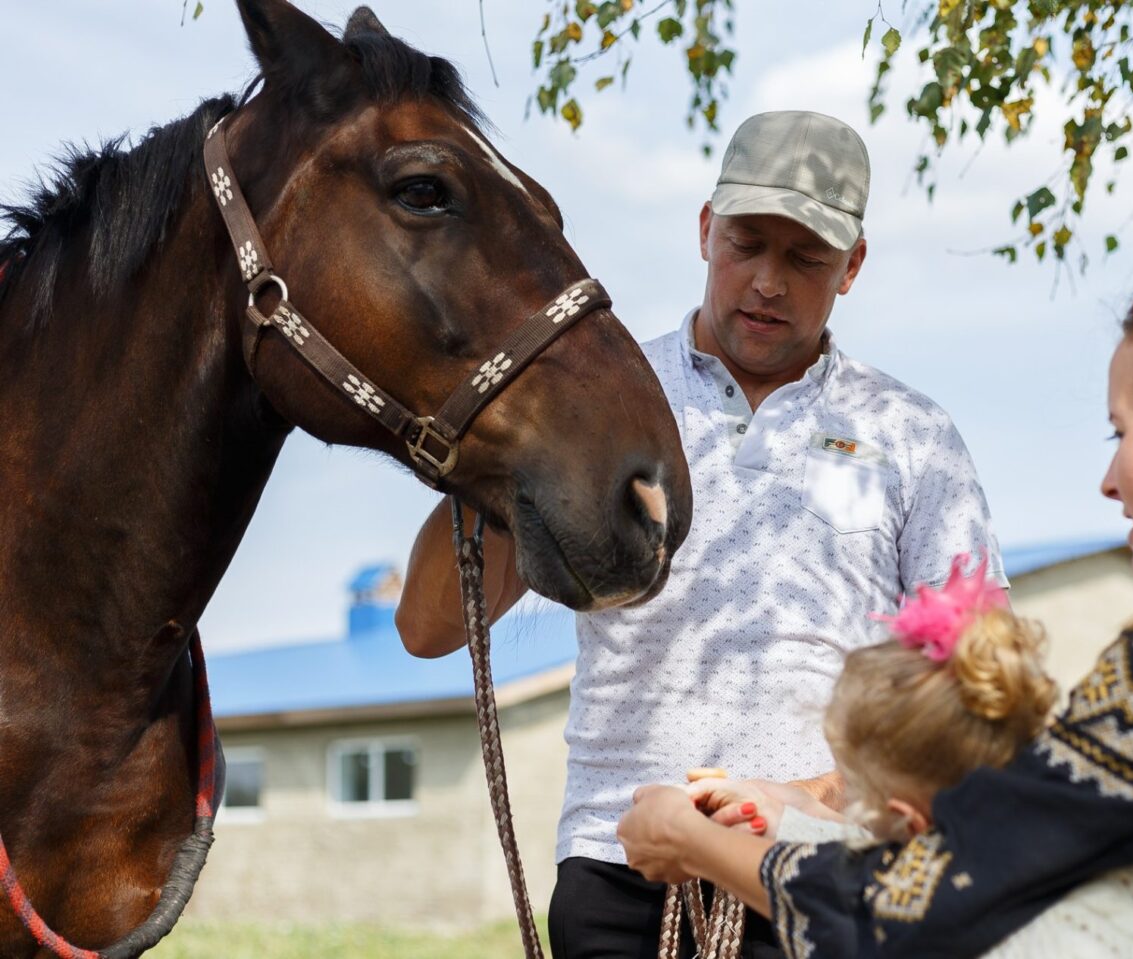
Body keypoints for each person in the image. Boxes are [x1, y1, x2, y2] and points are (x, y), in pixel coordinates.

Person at [617, 247, 1133, 956]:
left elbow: (934, 897)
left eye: (1123, 431)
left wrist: (694, 842)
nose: (1110, 480)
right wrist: (796, 807)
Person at [396, 110, 1007, 958]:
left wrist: (816, 794)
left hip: (825, 867)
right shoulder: (594, 403)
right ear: (704, 229)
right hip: (619, 868)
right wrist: (503, 432)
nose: (768, 281)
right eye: (747, 243)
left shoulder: (912, 434)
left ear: (853, 266)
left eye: (805, 258)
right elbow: (425, 628)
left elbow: (976, 682)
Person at [688, 551, 1133, 958]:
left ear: (910, 822)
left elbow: (867, 878)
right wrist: (774, 806)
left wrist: (691, 839)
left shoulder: (958, 925)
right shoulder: (1064, 836)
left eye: (856, 799)